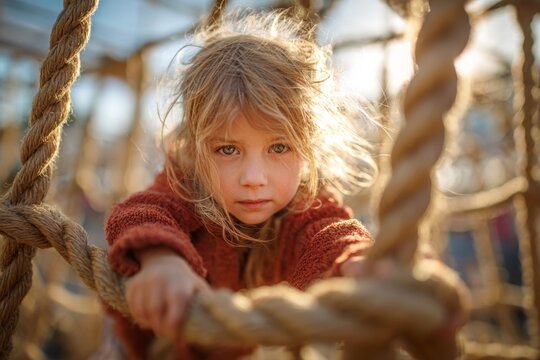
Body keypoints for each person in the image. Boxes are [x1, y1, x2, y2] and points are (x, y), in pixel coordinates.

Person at [103, 9, 450, 360]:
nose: (254, 178)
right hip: (137, 348)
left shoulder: (303, 202)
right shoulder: (187, 183)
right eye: (227, 149)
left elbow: (330, 233)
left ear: (309, 145)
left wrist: (360, 261)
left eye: (279, 147)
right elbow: (141, 211)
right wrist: (162, 260)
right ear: (194, 148)